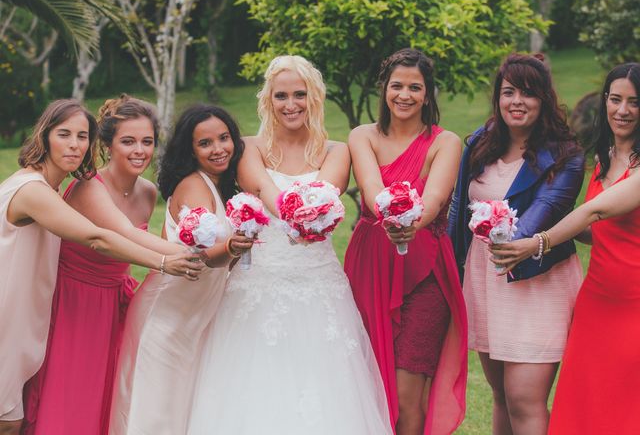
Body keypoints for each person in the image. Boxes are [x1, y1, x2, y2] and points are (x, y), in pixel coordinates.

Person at [187, 55, 392, 435]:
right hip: (259, 281)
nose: (291, 104)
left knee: (325, 385)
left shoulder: (336, 150)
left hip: (319, 283)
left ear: (314, 97)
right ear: (269, 99)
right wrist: (298, 214)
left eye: (300, 94)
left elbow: (324, 195)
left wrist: (309, 215)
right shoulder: (250, 147)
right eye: (281, 95)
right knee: (255, 383)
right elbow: (265, 190)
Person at [0, 99, 203, 435]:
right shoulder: (33, 190)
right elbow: (99, 237)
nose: (74, 144)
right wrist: (167, 262)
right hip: (19, 312)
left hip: (44, 308)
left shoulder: (49, 186)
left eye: (81, 136)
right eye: (64, 134)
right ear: (44, 136)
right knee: (10, 419)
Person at [491, 62, 640, 434]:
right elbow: (598, 230)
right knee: (585, 405)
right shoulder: (603, 157)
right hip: (596, 302)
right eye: (615, 99)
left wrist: (538, 241)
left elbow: (595, 210)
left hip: (634, 304)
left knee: (625, 408)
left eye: (634, 103)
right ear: (604, 101)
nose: (622, 110)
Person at [448, 53, 585, 435]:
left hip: (537, 281)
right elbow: (459, 207)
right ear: (498, 97)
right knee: (502, 397)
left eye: (528, 93)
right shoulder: (479, 143)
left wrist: (516, 243)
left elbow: (546, 209)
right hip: (485, 280)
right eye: (509, 92)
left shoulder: (565, 155)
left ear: (544, 98)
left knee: (524, 399)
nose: (517, 102)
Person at [344, 48, 467, 435]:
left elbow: (433, 198)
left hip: (424, 269)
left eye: (415, 88)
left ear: (428, 95)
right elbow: (370, 186)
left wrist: (412, 222)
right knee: (369, 384)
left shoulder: (445, 142)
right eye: (397, 86)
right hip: (369, 268)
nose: (405, 95)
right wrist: (390, 215)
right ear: (384, 90)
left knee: (407, 392)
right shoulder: (361, 135)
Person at [109, 105, 254, 435]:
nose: (218, 149)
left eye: (224, 138)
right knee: (154, 414)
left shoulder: (222, 186)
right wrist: (232, 247)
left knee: (179, 414)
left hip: (192, 318)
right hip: (165, 317)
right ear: (191, 150)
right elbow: (203, 256)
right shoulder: (194, 185)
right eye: (205, 143)